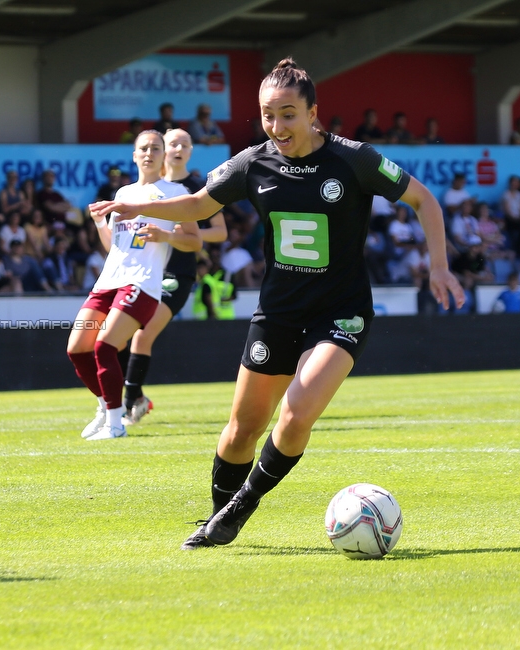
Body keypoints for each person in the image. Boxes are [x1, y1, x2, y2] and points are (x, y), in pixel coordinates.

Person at [89, 58, 464, 548]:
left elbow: (424, 200)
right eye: (268, 115)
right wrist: (137, 204)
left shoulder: (355, 159)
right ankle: (216, 516)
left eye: (288, 114)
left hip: (341, 312)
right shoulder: (253, 162)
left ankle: (239, 509)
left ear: (313, 112)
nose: (277, 126)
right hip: (278, 314)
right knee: (242, 431)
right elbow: (200, 203)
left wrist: (438, 265)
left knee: (296, 412)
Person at [68, 130, 199, 441]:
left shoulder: (174, 191)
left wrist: (167, 236)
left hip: (143, 282)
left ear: (164, 153)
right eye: (144, 148)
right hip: (109, 280)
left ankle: (116, 424)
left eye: (156, 148)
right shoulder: (123, 192)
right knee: (77, 349)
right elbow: (115, 245)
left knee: (105, 346)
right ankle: (105, 407)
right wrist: (100, 221)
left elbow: (194, 241)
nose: (149, 153)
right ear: (134, 155)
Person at [121, 128, 227, 425]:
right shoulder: (150, 186)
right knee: (121, 333)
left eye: (185, 143)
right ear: (161, 150)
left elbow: (220, 232)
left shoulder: (197, 187)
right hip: (144, 271)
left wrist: (181, 231)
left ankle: (130, 403)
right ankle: (132, 399)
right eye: (172, 144)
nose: (178, 148)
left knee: (143, 333)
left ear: (192, 150)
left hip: (177, 273)